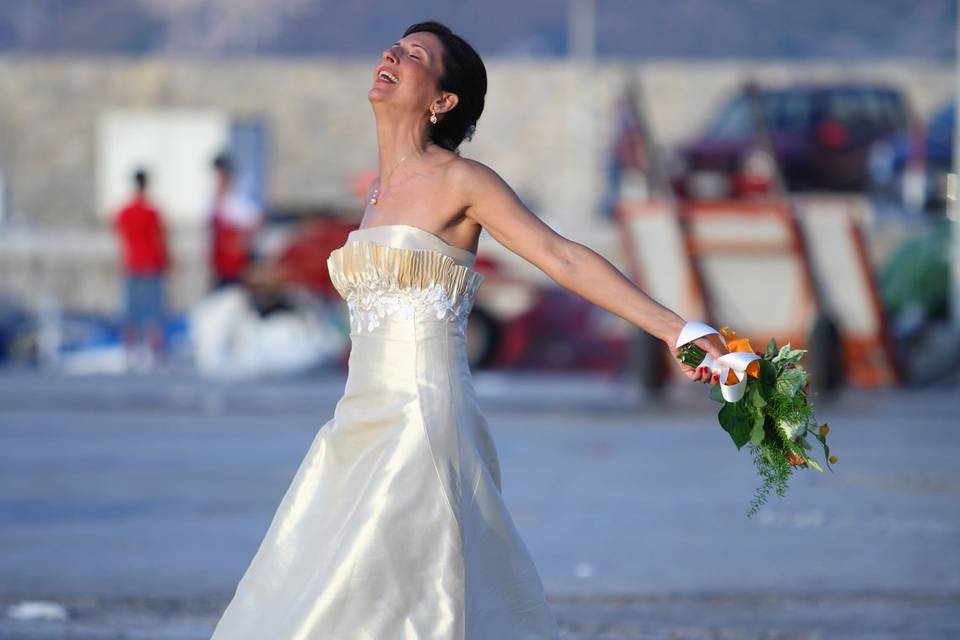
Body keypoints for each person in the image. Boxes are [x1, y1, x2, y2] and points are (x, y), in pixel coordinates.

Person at [210, 21, 726, 639]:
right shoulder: (375, 194)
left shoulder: (462, 180)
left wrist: (676, 329)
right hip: (357, 419)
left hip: (421, 415)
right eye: (395, 46)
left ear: (442, 100)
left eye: (414, 55)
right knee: (322, 587)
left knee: (400, 598)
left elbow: (560, 257)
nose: (392, 54)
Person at [112, 168, 169, 370]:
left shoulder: (124, 211)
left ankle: (129, 354)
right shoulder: (152, 211)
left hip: (132, 265)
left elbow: (119, 233)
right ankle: (155, 354)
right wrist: (167, 262)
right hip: (152, 265)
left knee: (130, 312)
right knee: (154, 312)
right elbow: (160, 238)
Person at [209, 152, 263, 289]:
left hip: (236, 263)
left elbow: (253, 222)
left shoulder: (240, 199)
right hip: (220, 262)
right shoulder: (215, 200)